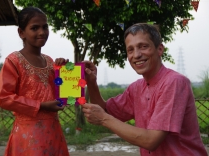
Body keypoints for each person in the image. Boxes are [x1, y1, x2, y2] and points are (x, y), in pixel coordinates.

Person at [82, 23, 207, 155]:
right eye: (130, 50)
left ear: (159, 49)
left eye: (143, 47)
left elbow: (151, 141)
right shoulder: (136, 88)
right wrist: (91, 82)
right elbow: (105, 110)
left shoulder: (174, 82)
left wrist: (104, 119)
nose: (136, 55)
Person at [0, 7, 69, 156]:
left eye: (45, 27)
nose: (42, 32)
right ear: (21, 33)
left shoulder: (49, 61)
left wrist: (63, 72)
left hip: (53, 132)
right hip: (28, 136)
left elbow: (63, 96)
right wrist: (41, 106)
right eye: (34, 28)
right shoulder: (14, 61)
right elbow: (4, 98)